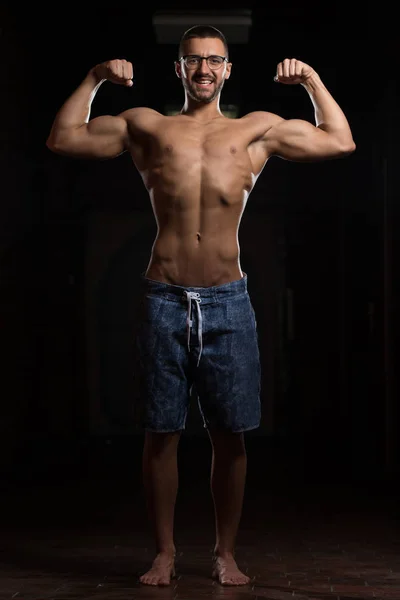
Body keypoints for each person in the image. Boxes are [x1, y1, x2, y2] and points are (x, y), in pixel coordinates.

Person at [46, 25, 355, 586]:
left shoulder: (255, 130)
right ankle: (163, 552)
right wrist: (94, 78)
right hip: (163, 296)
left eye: (214, 60)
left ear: (228, 69)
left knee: (230, 434)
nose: (204, 70)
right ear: (179, 70)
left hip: (227, 301)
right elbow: (64, 137)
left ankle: (225, 553)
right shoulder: (148, 126)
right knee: (159, 432)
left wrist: (310, 79)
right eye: (193, 61)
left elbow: (339, 140)